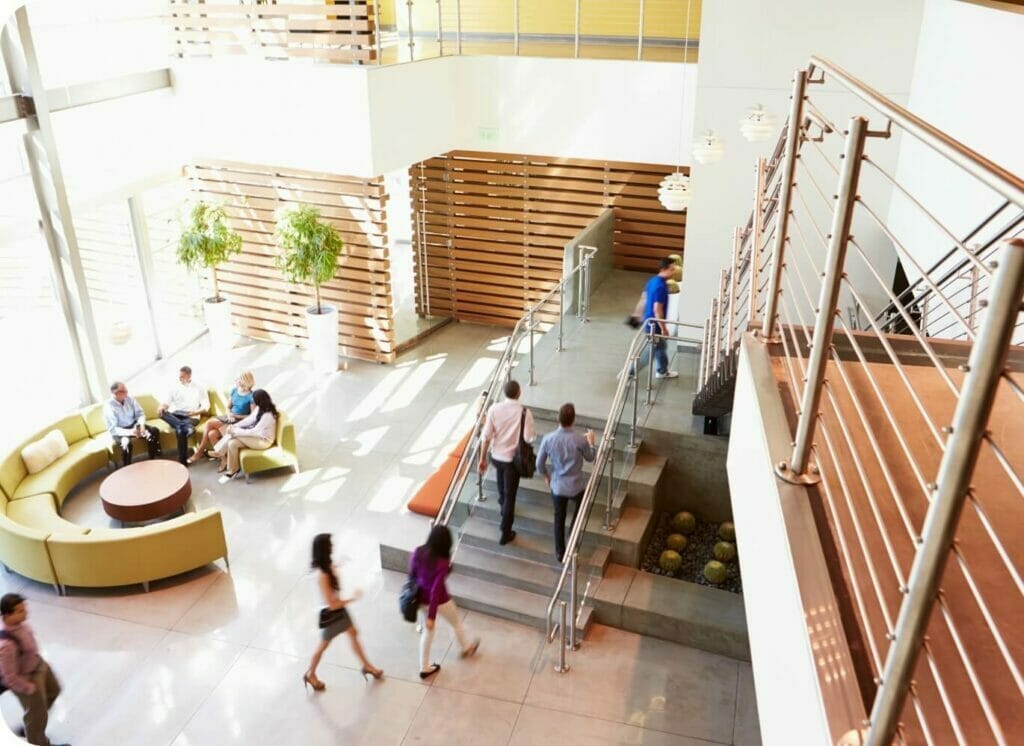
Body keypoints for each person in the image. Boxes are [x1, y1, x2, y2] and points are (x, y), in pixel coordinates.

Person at [303, 534, 382, 691]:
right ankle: (310, 674)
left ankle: (367, 665)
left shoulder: (324, 567)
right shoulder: (322, 575)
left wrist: (340, 563)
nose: (332, 546)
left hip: (339, 612)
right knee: (323, 645)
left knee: (353, 633)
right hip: (332, 615)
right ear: (325, 549)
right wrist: (352, 599)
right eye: (330, 545)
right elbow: (332, 604)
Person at [410, 525, 479, 680]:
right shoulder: (442, 563)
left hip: (420, 599)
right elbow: (435, 590)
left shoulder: (418, 552)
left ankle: (424, 667)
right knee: (456, 623)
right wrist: (432, 616)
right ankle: (466, 648)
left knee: (428, 632)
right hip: (440, 601)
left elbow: (412, 575)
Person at [0, 594, 68, 746]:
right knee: (37, 716)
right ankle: (38, 740)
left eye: (25, 608)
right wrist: (29, 688)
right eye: (20, 611)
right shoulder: (6, 645)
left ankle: (31, 725)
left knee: (54, 691)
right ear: (6, 615)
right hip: (27, 679)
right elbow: (9, 677)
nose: (25, 613)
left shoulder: (22, 625)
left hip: (39, 666)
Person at [535, 403, 597, 562]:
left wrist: (546, 477)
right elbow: (591, 458)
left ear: (558, 418)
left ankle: (560, 553)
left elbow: (539, 464)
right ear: (573, 420)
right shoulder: (579, 440)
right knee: (580, 509)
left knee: (558, 518)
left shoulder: (548, 439)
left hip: (558, 486)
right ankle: (573, 534)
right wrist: (591, 442)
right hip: (577, 486)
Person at [478, 379, 535, 545]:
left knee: (502, 485)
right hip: (513, 460)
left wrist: (482, 458)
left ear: (504, 393)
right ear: (519, 393)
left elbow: (486, 436)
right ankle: (505, 531)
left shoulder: (494, 409)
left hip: (496, 457)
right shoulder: (525, 412)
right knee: (511, 495)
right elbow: (528, 438)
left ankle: (503, 505)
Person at [188, 371, 255, 464]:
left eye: (238, 378)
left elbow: (252, 416)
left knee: (209, 424)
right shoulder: (235, 390)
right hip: (229, 417)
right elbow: (227, 408)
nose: (236, 380)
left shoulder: (251, 396)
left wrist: (235, 416)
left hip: (239, 421)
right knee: (212, 434)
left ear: (244, 380)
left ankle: (199, 452)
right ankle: (224, 460)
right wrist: (229, 414)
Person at [631, 257, 679, 380]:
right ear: (663, 269)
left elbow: (643, 299)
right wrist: (663, 328)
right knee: (650, 352)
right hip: (654, 325)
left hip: (649, 322)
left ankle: (662, 370)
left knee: (660, 347)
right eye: (671, 269)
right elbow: (658, 310)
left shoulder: (652, 281)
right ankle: (628, 373)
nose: (674, 272)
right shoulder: (661, 287)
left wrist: (636, 316)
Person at [214, 389, 278, 480]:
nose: (253, 402)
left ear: (259, 400)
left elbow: (255, 431)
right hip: (257, 437)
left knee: (234, 434)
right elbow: (249, 420)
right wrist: (234, 425)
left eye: (254, 400)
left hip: (264, 441)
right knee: (232, 443)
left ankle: (219, 452)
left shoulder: (268, 415)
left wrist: (236, 431)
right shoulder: (260, 408)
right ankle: (233, 469)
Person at [157, 365, 210, 465]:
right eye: (179, 376)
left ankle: (182, 462)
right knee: (162, 413)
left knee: (180, 431)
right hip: (177, 414)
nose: (180, 378)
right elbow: (167, 402)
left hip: (192, 415)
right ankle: (186, 427)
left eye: (182, 376)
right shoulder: (174, 387)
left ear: (189, 376)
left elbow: (206, 405)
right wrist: (162, 406)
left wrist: (196, 412)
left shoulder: (199, 387)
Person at [103, 381, 160, 467]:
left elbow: (140, 414)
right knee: (126, 444)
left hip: (133, 425)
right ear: (116, 393)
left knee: (154, 431)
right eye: (124, 391)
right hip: (120, 431)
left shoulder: (130, 399)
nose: (127, 393)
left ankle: (153, 458)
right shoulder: (108, 407)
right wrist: (131, 432)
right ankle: (127, 467)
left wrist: (141, 425)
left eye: (126, 390)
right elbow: (113, 429)